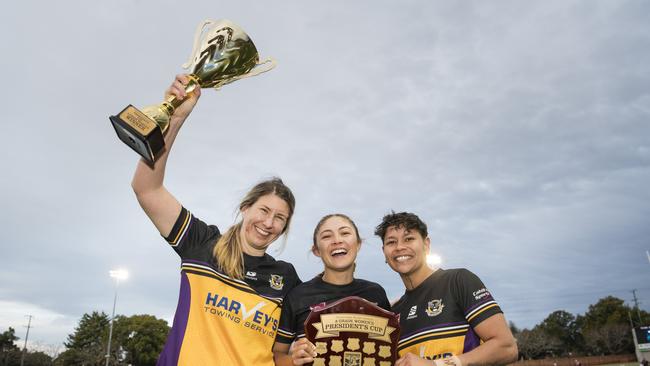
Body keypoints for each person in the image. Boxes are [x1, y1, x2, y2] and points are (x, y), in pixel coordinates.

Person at [131, 75, 301, 365]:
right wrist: (176, 118)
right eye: (264, 210)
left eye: (280, 218)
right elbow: (147, 188)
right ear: (246, 207)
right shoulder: (201, 242)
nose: (269, 222)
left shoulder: (286, 278)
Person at [374, 212, 518, 366]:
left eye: (409, 239)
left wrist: (437, 365)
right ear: (384, 252)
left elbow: (507, 347)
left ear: (426, 244)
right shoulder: (394, 312)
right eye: (391, 242)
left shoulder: (458, 281)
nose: (400, 247)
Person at [272, 214, 391, 366]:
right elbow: (277, 355)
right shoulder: (298, 295)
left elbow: (389, 351)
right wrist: (293, 360)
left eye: (345, 233)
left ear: (358, 244)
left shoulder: (376, 293)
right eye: (327, 236)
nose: (337, 240)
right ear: (316, 250)